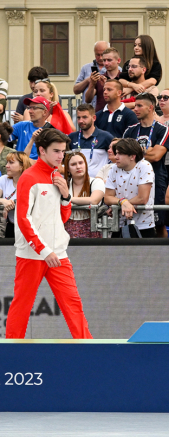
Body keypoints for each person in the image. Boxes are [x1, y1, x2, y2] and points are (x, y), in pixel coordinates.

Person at [5, 129, 92, 339]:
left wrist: (66, 197)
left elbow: (62, 218)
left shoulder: (58, 175)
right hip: (32, 255)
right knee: (22, 306)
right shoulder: (28, 177)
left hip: (57, 253)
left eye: (63, 151)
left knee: (73, 305)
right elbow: (23, 220)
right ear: (41, 150)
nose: (61, 156)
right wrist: (44, 250)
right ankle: (10, 353)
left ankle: (89, 349)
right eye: (56, 151)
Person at [103, 137, 155, 237]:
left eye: (120, 153)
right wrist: (122, 202)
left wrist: (120, 204)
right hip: (119, 225)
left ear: (132, 156)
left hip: (143, 226)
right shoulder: (113, 168)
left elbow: (142, 198)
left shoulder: (145, 166)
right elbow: (108, 198)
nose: (116, 157)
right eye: (116, 153)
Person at [61, 150, 105, 239]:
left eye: (81, 163)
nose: (78, 167)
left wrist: (68, 198)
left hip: (91, 228)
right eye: (73, 164)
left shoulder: (96, 182)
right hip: (66, 229)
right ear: (68, 169)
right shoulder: (64, 184)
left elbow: (94, 200)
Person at [1, 152, 33, 238]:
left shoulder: (32, 182)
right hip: (11, 226)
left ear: (22, 166)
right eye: (7, 162)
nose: (7, 165)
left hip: (29, 226)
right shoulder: (4, 179)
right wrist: (4, 201)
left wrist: (14, 204)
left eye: (11, 162)